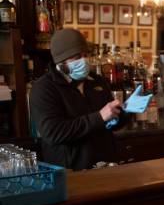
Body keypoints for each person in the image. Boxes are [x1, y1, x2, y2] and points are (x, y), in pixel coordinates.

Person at [30, 28, 126, 170]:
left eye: (85, 54)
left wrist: (126, 112)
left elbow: (111, 123)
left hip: (107, 165)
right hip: (71, 172)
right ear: (61, 62)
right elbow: (53, 133)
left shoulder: (97, 81)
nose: (84, 60)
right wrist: (99, 117)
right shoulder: (43, 88)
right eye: (76, 57)